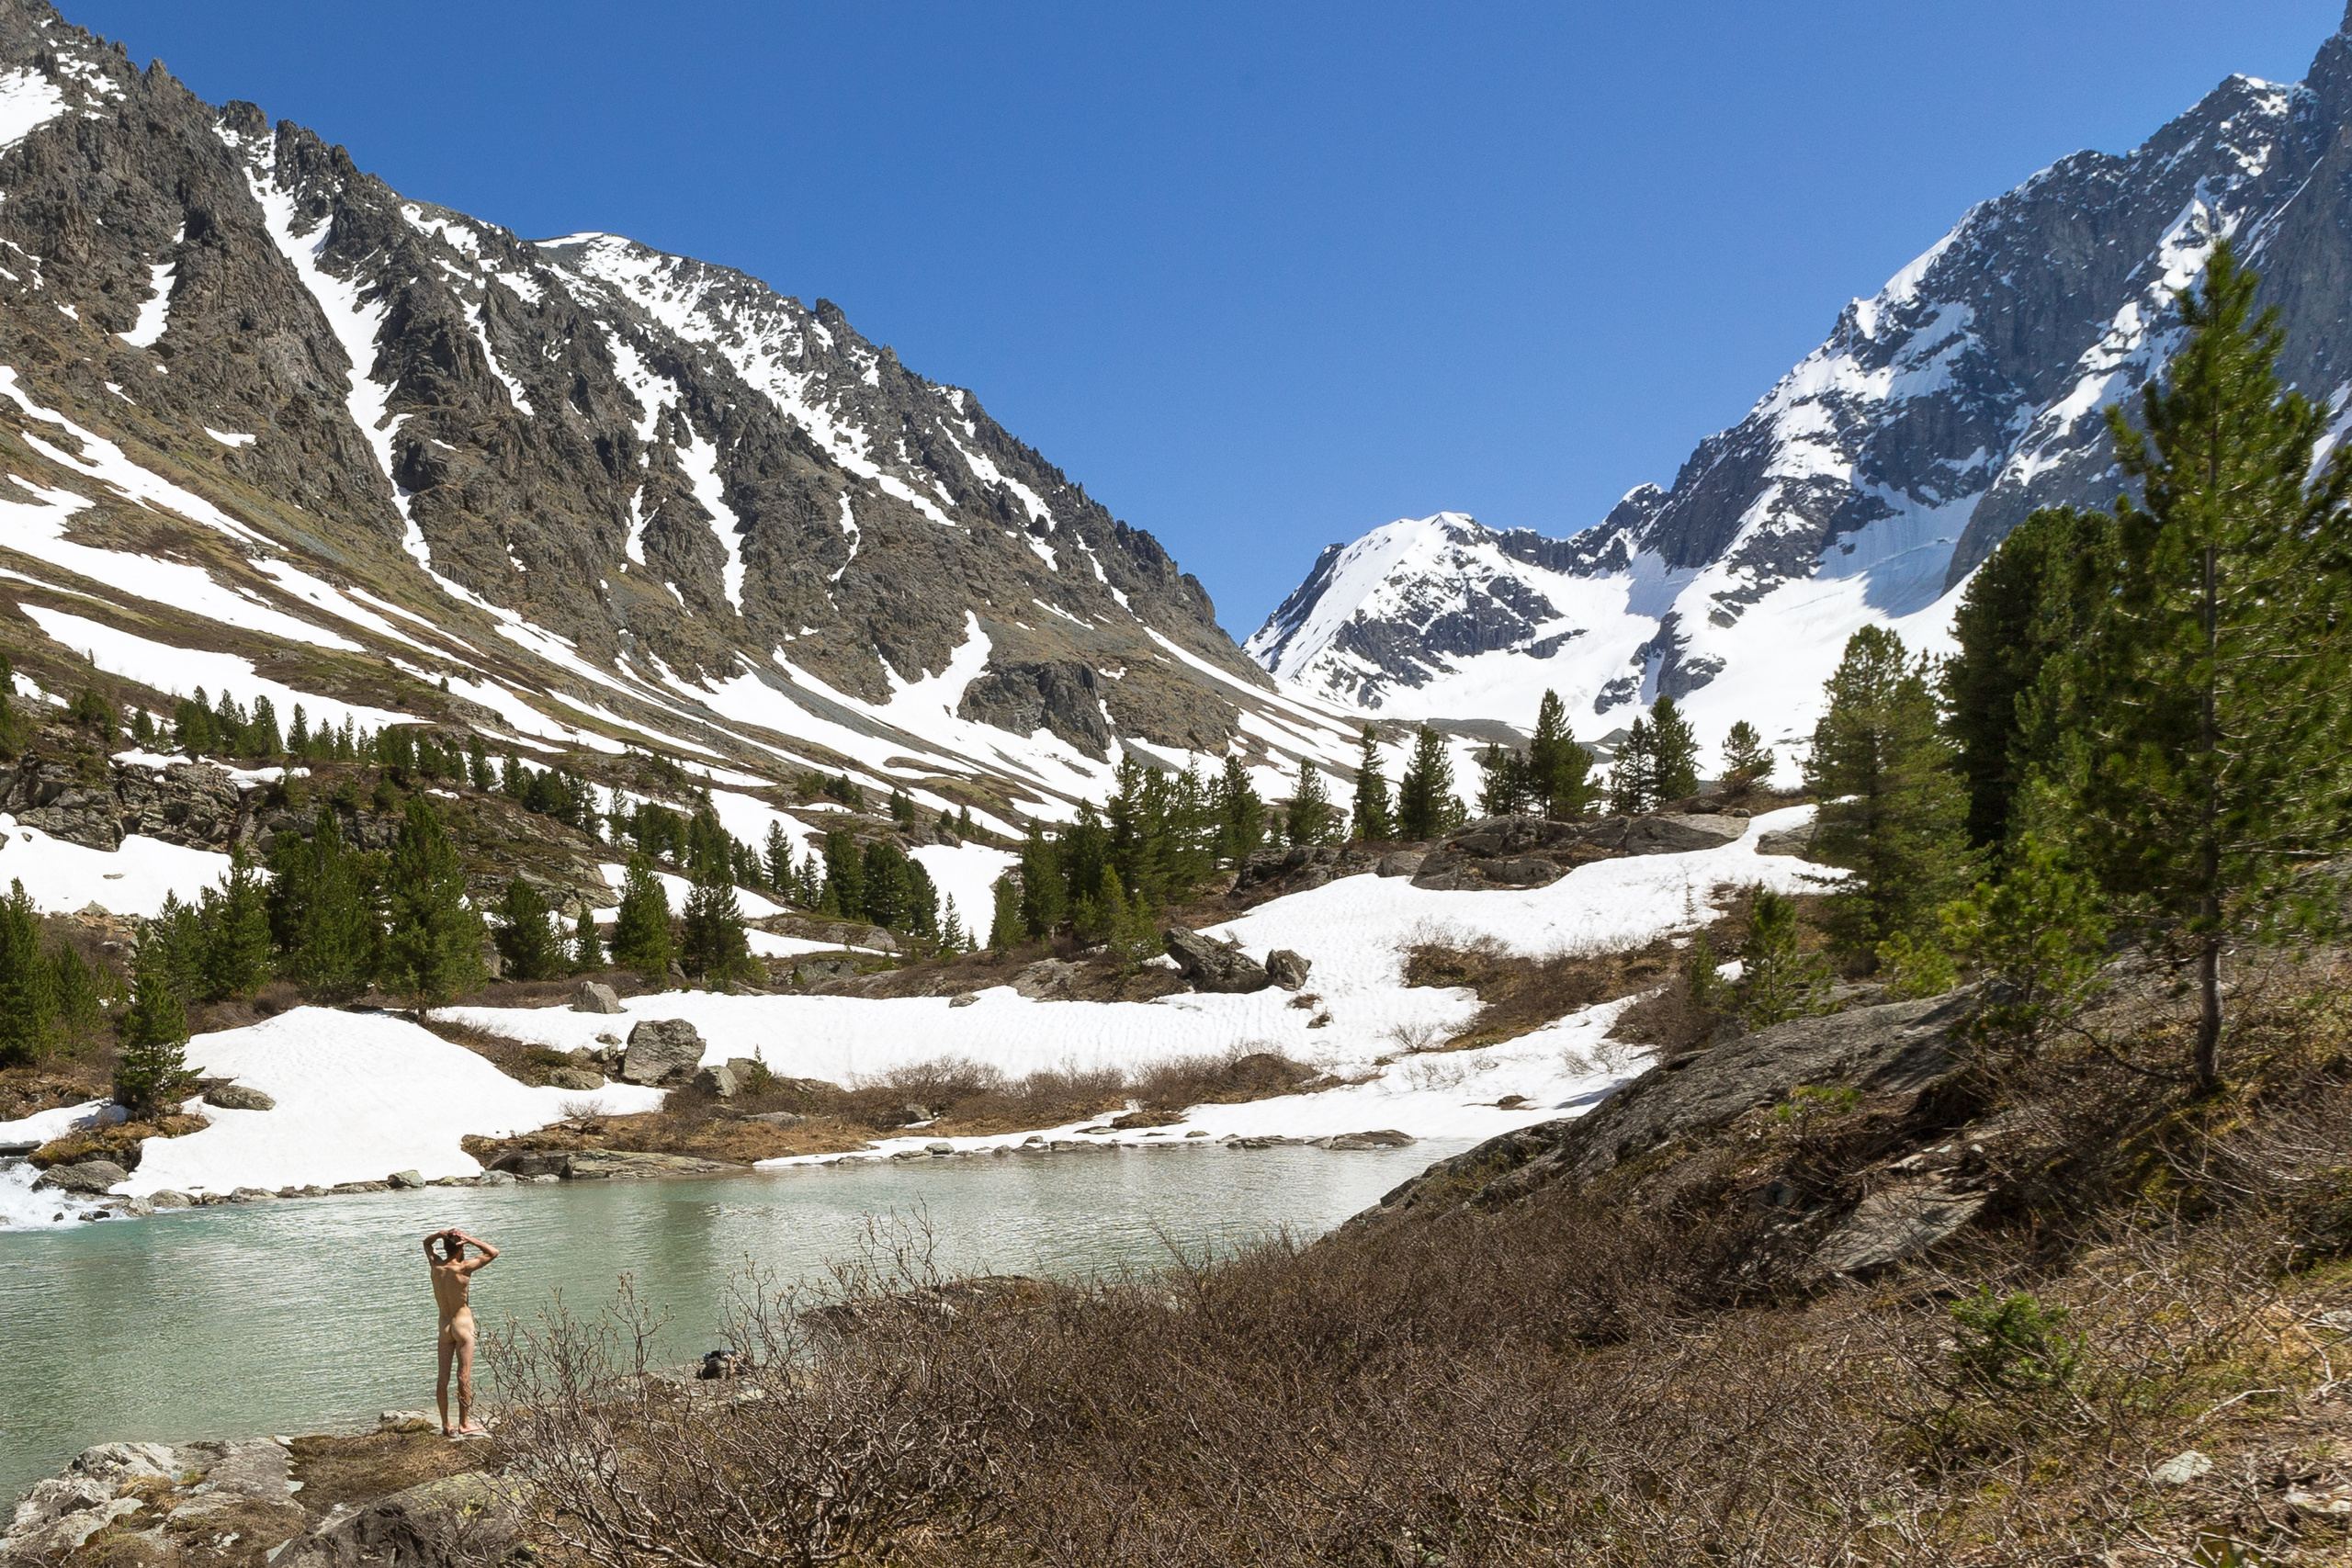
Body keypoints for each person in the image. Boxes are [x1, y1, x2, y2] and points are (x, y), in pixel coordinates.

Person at [423, 1227, 499, 1438]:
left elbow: (426, 1243)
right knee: (463, 1376)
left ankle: (446, 1424)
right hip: (463, 1326)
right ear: (459, 1249)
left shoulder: (436, 1265)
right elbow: (493, 1252)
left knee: (443, 1378)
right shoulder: (464, 1268)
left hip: (444, 1326)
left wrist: (439, 1234)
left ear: (445, 1247)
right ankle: (464, 1423)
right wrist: (470, 1239)